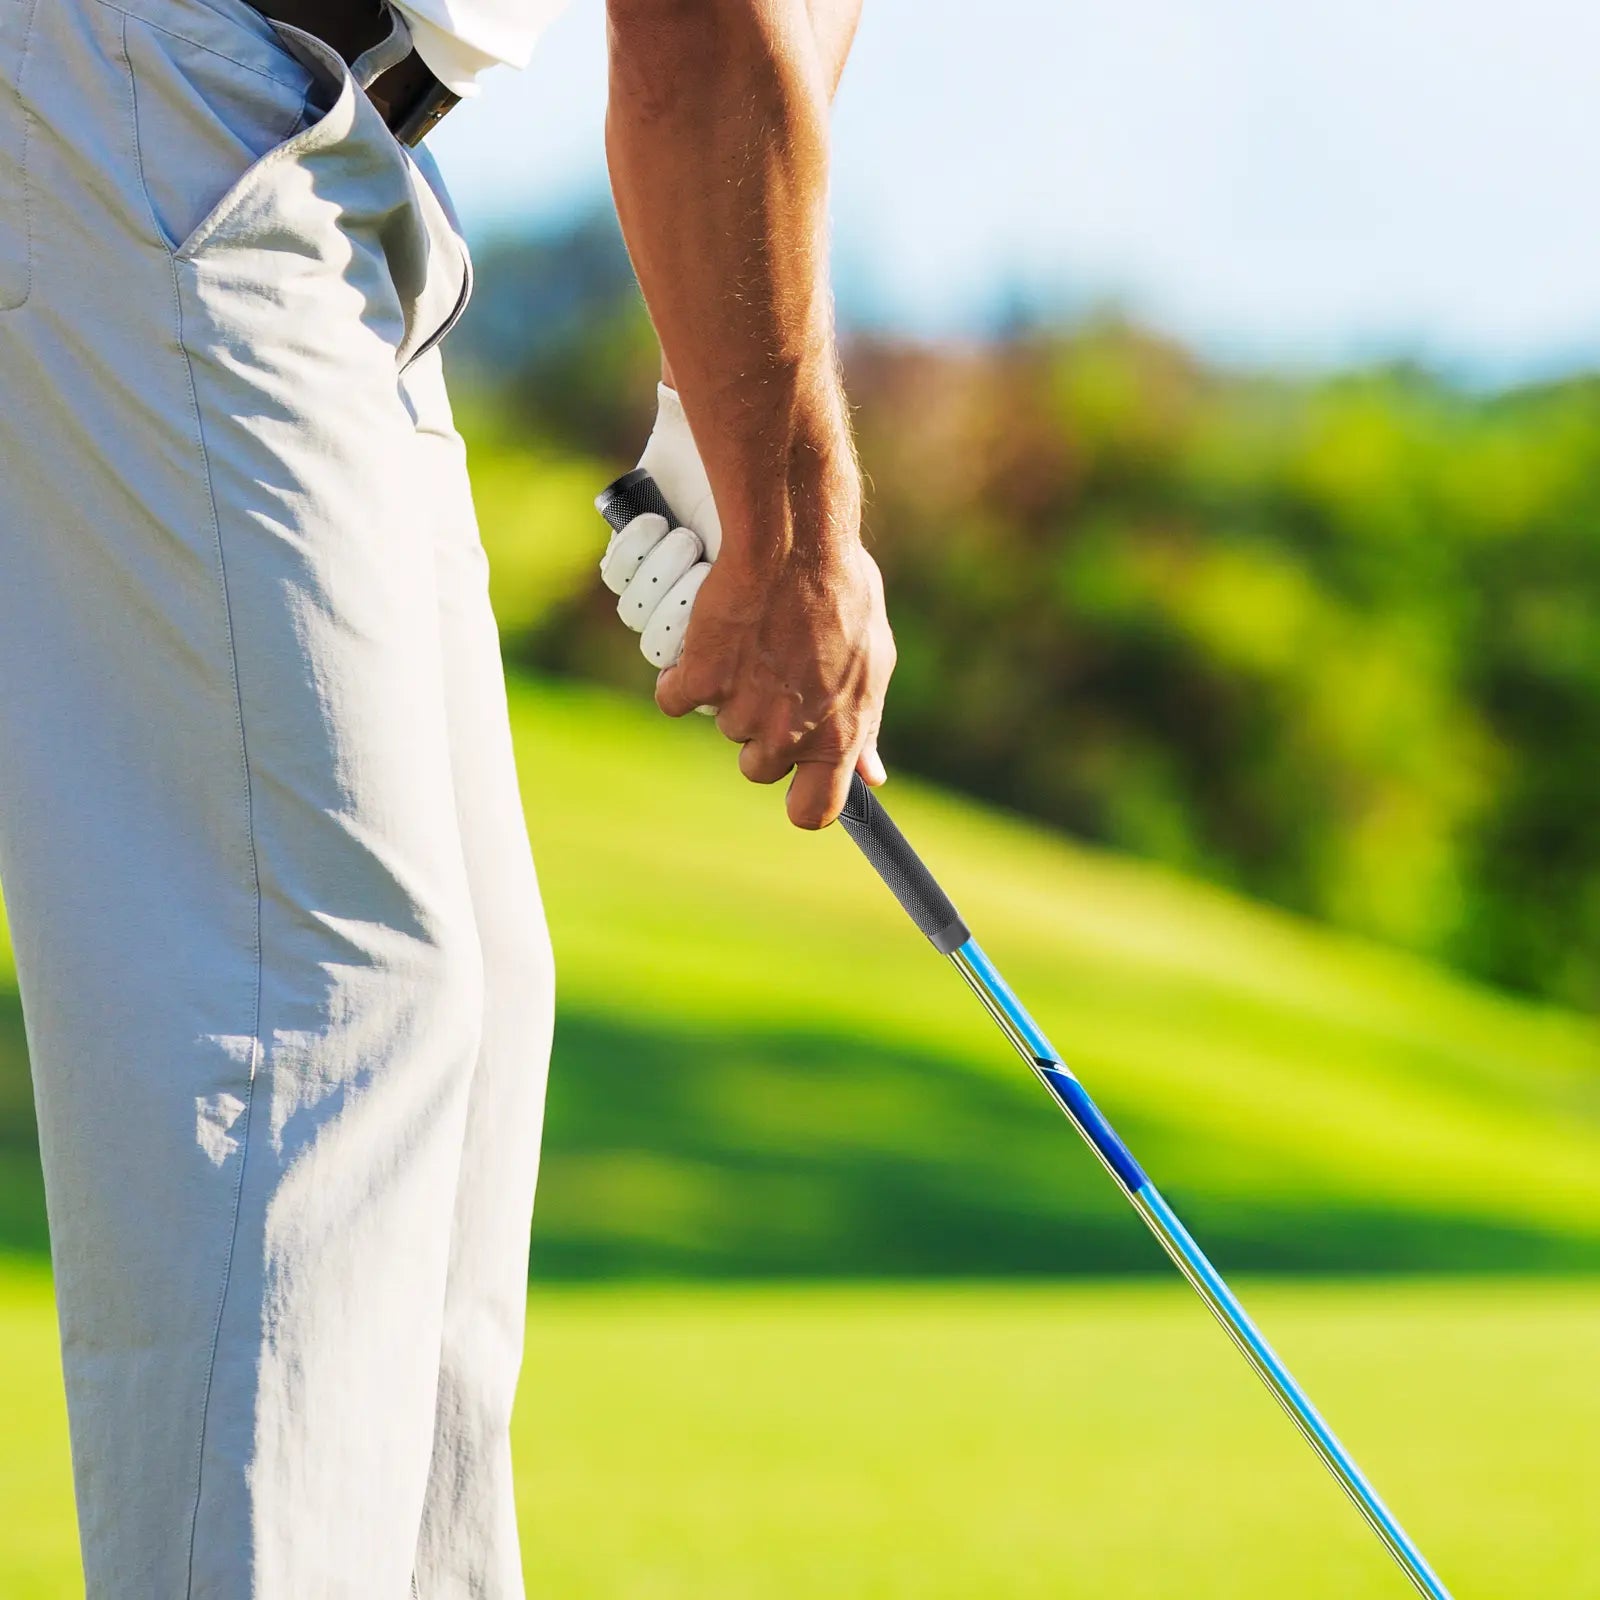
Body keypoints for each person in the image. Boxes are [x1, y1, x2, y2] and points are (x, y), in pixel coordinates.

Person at [0, 0, 891, 1593]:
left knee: (468, 1006)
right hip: (154, 92)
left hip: (306, 143)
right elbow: (696, 43)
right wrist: (793, 522)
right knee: (316, 1000)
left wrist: (721, 420)